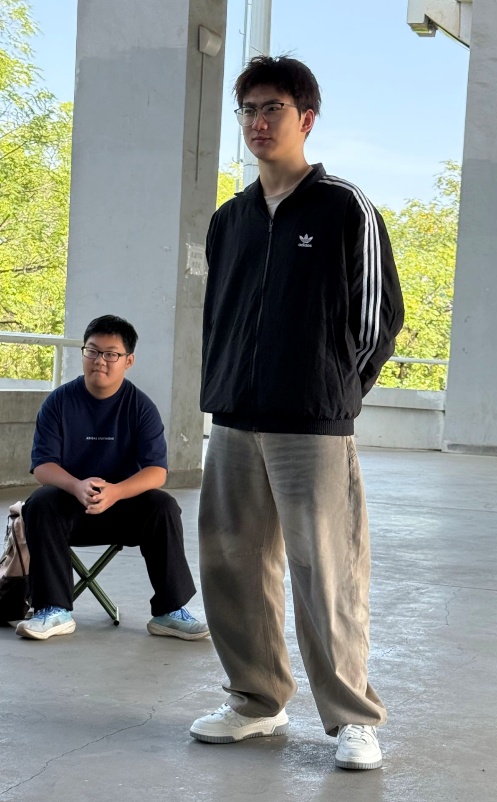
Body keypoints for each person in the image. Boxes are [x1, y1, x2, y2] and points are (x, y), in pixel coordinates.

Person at [190, 56, 404, 770]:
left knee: (326, 572)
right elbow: (218, 318)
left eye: (272, 108)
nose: (258, 122)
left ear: (305, 118)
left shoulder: (344, 207)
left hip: (311, 423)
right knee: (232, 562)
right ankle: (256, 701)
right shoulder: (230, 220)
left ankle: (353, 718)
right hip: (233, 419)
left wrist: (334, 392)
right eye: (248, 109)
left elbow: (377, 319)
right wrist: (226, 384)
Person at [16, 315, 208, 642]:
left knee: (163, 506)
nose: (99, 361)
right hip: (70, 510)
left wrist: (116, 492)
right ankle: (53, 610)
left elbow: (157, 471)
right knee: (40, 503)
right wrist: (77, 486)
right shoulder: (58, 403)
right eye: (92, 351)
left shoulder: (140, 407)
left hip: (123, 510)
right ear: (83, 353)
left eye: (111, 354)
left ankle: (170, 611)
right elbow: (42, 465)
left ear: (128, 360)